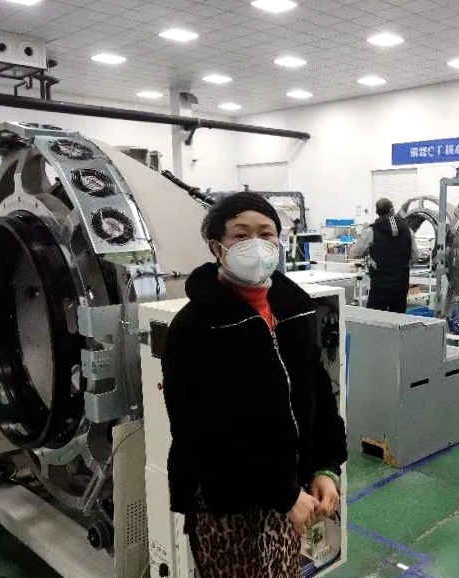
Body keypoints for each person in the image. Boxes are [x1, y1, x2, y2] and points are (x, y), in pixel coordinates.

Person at [161, 192, 347, 578]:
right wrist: (282, 492)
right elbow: (201, 435)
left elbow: (317, 395)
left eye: (266, 234)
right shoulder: (194, 327)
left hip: (289, 496)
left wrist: (325, 467)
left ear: (279, 242)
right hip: (228, 504)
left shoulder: (293, 310)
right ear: (217, 247)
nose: (256, 244)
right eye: (241, 235)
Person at [349, 198, 419, 313]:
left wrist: (365, 239)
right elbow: (415, 257)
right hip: (401, 286)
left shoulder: (371, 230)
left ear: (377, 212)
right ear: (391, 210)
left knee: (376, 320)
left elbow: (354, 253)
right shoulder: (407, 230)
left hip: (379, 286)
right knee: (398, 320)